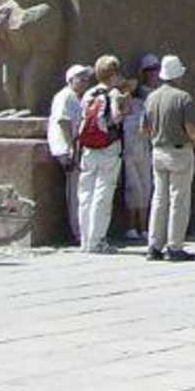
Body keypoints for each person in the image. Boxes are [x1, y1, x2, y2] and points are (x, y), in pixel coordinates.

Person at [144, 54, 195, 262]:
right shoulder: (183, 98)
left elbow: (144, 128)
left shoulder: (151, 97)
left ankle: (154, 245)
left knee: (159, 199)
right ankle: (175, 246)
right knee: (179, 198)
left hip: (158, 150)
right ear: (177, 75)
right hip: (179, 151)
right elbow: (190, 127)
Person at [75, 54, 128, 253]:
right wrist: (123, 108)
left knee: (85, 193)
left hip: (88, 148)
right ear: (113, 75)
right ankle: (97, 240)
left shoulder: (89, 93)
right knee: (103, 193)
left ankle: (85, 240)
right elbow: (115, 118)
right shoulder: (112, 93)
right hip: (108, 147)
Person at [46, 63, 91, 240]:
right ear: (70, 80)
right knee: (74, 191)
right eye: (81, 78)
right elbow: (63, 122)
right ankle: (77, 231)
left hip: (76, 146)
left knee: (80, 189)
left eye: (86, 79)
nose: (85, 81)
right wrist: (70, 148)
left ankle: (81, 228)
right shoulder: (65, 97)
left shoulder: (79, 97)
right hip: (67, 148)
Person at [120, 53, 159, 243]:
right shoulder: (134, 102)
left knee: (146, 188)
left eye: (156, 69)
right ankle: (131, 226)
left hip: (146, 148)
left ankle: (143, 227)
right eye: (149, 70)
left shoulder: (154, 97)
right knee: (133, 188)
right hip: (131, 149)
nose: (153, 74)